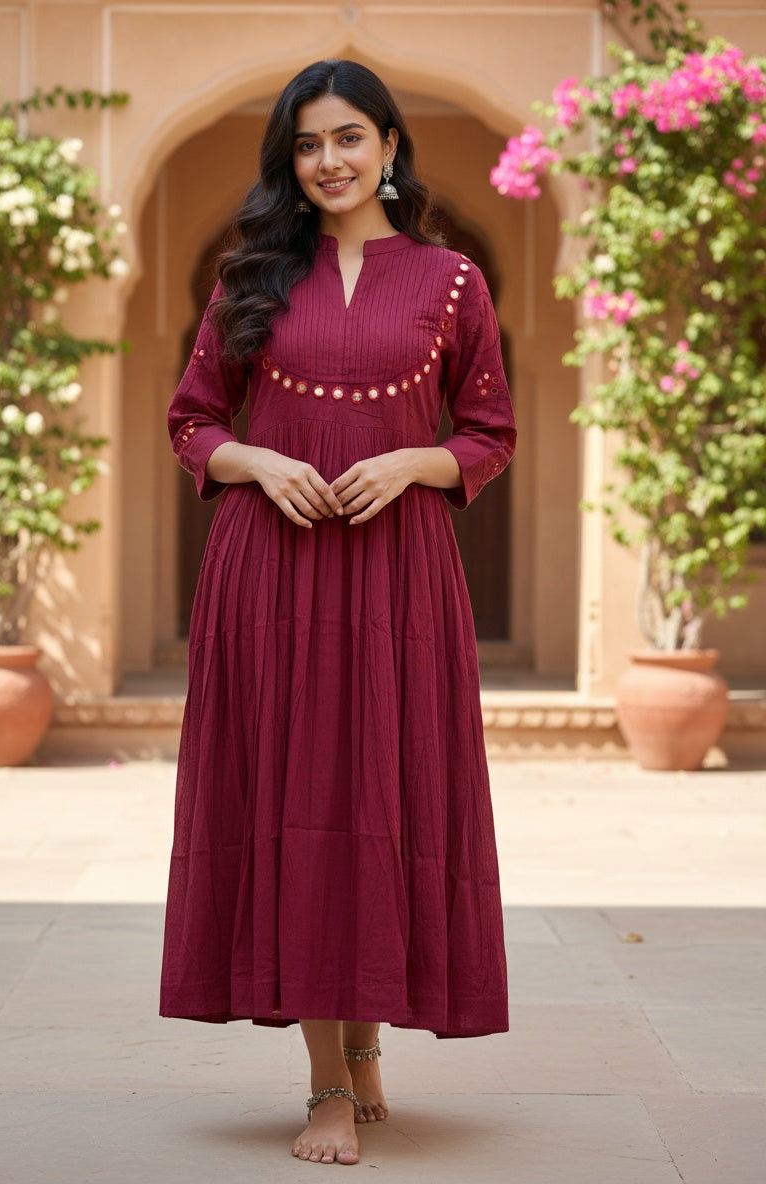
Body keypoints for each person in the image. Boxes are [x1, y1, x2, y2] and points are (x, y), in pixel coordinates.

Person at [160, 58, 516, 1166]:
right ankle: (325, 1083)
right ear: (291, 158)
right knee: (304, 803)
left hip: (401, 576)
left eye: (350, 137)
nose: (330, 161)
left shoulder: (453, 280)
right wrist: (259, 460)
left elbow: (489, 432)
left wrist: (415, 460)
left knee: (383, 800)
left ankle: (364, 1048)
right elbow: (192, 421)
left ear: (391, 145)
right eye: (308, 144)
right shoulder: (251, 276)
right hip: (272, 571)